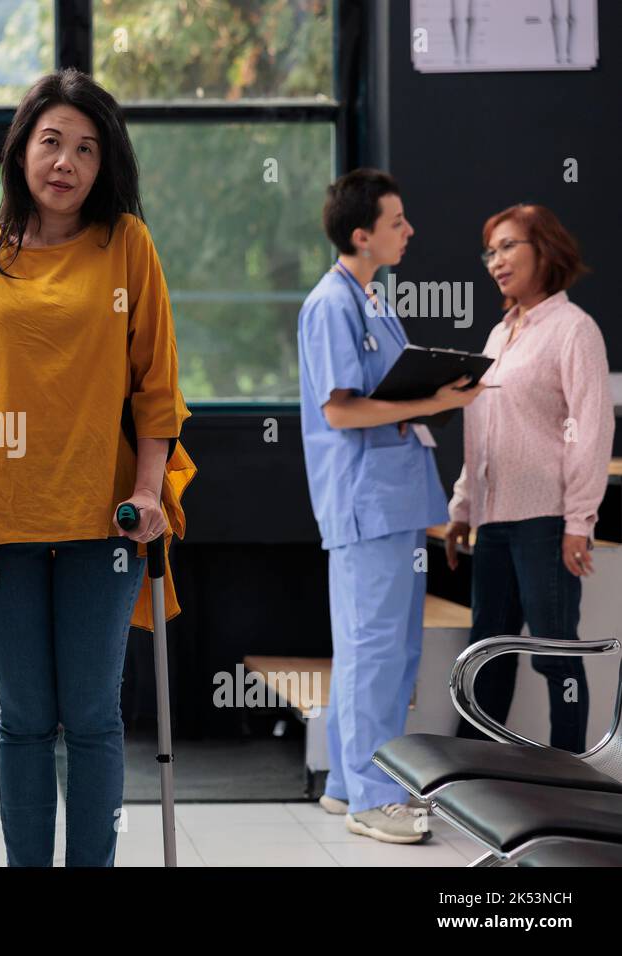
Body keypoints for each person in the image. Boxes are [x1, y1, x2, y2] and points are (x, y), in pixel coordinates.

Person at [0, 68, 196, 867]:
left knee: (94, 717)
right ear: (22, 151)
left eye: (86, 147)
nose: (66, 162)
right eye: (51, 142)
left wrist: (148, 490)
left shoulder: (127, 248)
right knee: (26, 720)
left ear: (105, 163)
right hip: (0, 523)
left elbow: (157, 389)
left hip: (102, 519)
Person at [297, 168, 482, 844]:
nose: (410, 231)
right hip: (363, 502)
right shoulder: (331, 305)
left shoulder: (373, 300)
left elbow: (385, 394)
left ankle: (349, 784)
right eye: (397, 221)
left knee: (386, 652)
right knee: (374, 651)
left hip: (396, 501)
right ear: (360, 234)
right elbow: (340, 410)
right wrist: (436, 401)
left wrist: (432, 390)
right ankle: (375, 799)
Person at [445, 204, 610, 753]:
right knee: (484, 658)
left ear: (546, 250)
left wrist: (578, 521)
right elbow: (480, 431)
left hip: (545, 521)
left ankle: (571, 784)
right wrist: (463, 508)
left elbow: (591, 430)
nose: (496, 261)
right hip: (493, 522)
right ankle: (473, 778)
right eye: (490, 251)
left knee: (556, 655)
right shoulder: (498, 335)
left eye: (509, 246)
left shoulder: (574, 330)